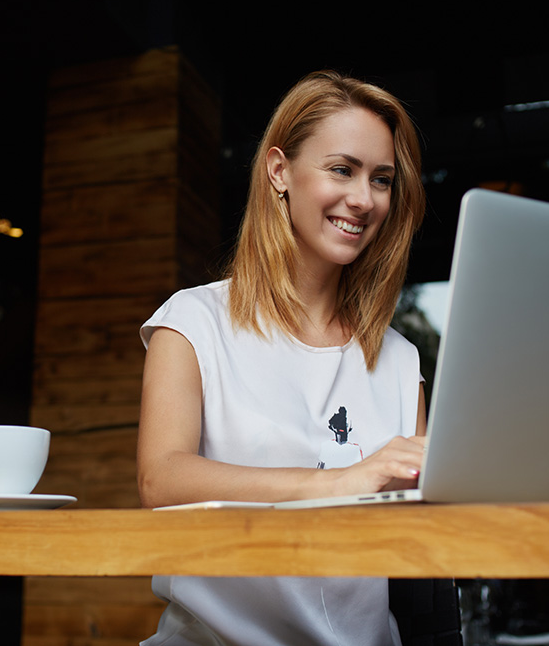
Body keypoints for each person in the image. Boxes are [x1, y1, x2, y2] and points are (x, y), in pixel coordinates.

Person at [136, 70, 428, 645]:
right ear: (279, 173)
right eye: (342, 169)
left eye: (382, 179)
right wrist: (342, 482)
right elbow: (161, 478)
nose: (363, 199)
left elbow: (423, 530)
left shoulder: (399, 361)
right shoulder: (194, 321)